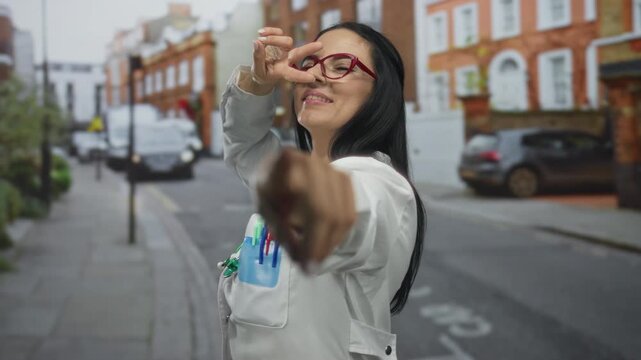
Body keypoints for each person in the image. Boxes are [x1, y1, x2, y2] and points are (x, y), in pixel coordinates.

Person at [218, 22, 426, 360]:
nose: (315, 75)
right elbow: (246, 145)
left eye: (341, 66)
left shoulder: (379, 183)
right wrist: (260, 82)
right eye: (310, 64)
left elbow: (342, 215)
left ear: (379, 93)